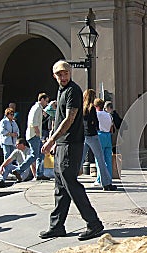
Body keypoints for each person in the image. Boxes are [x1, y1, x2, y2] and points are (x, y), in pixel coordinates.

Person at [40, 60, 104, 241]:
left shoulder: (73, 91)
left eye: (65, 73)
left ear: (70, 73)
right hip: (62, 144)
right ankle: (57, 226)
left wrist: (52, 140)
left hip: (71, 144)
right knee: (60, 186)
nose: (63, 76)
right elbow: (58, 118)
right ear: (55, 76)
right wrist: (53, 139)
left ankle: (94, 223)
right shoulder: (61, 91)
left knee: (71, 184)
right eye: (59, 74)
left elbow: (69, 119)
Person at [81, 89, 116, 191]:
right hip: (93, 135)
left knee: (80, 159)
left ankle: (70, 180)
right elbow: (95, 122)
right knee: (101, 159)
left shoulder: (82, 108)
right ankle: (106, 183)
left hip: (84, 135)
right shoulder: (92, 108)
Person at [11, 93, 50, 181]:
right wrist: (37, 132)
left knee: (41, 153)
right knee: (34, 155)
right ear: (42, 99)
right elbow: (33, 121)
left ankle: (39, 173)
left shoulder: (38, 108)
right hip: (34, 135)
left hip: (35, 135)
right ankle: (19, 170)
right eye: (46, 101)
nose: (46, 103)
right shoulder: (36, 108)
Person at [93, 98, 114, 187]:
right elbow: (111, 127)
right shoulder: (109, 115)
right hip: (108, 136)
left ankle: (99, 179)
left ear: (96, 106)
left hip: (100, 135)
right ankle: (109, 178)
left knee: (99, 159)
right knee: (108, 159)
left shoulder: (97, 114)